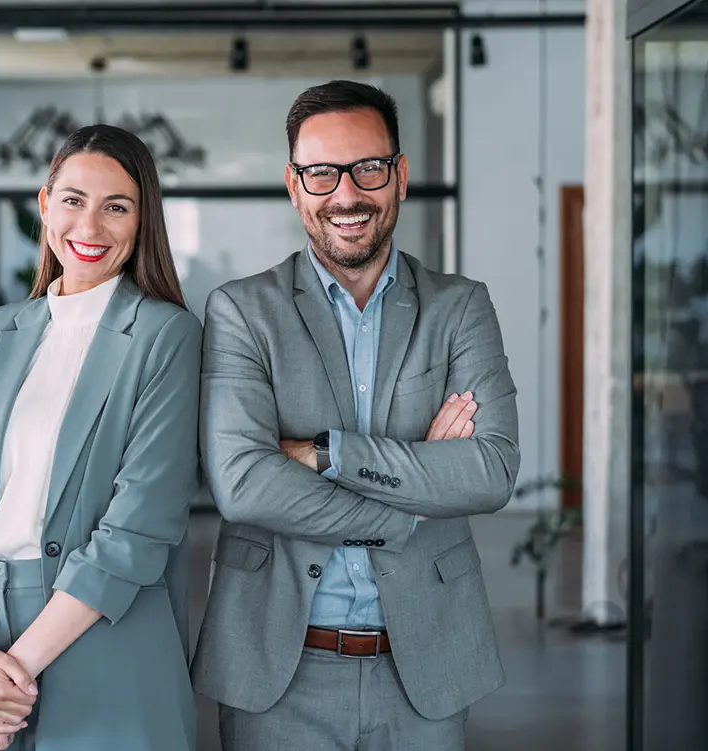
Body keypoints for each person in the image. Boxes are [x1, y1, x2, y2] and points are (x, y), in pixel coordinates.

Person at [191, 80, 520, 751]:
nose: (346, 194)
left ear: (399, 176)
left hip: (425, 662)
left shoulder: (460, 307)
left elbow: (489, 469)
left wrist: (324, 452)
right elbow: (244, 484)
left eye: (368, 168)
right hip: (280, 670)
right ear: (294, 184)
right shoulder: (242, 311)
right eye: (321, 173)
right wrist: (410, 504)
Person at [0, 124, 201, 751]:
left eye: (117, 206)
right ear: (46, 206)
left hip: (104, 636)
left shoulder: (166, 337)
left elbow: (135, 533)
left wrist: (7, 681)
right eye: (73, 200)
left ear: (143, 220)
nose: (91, 226)